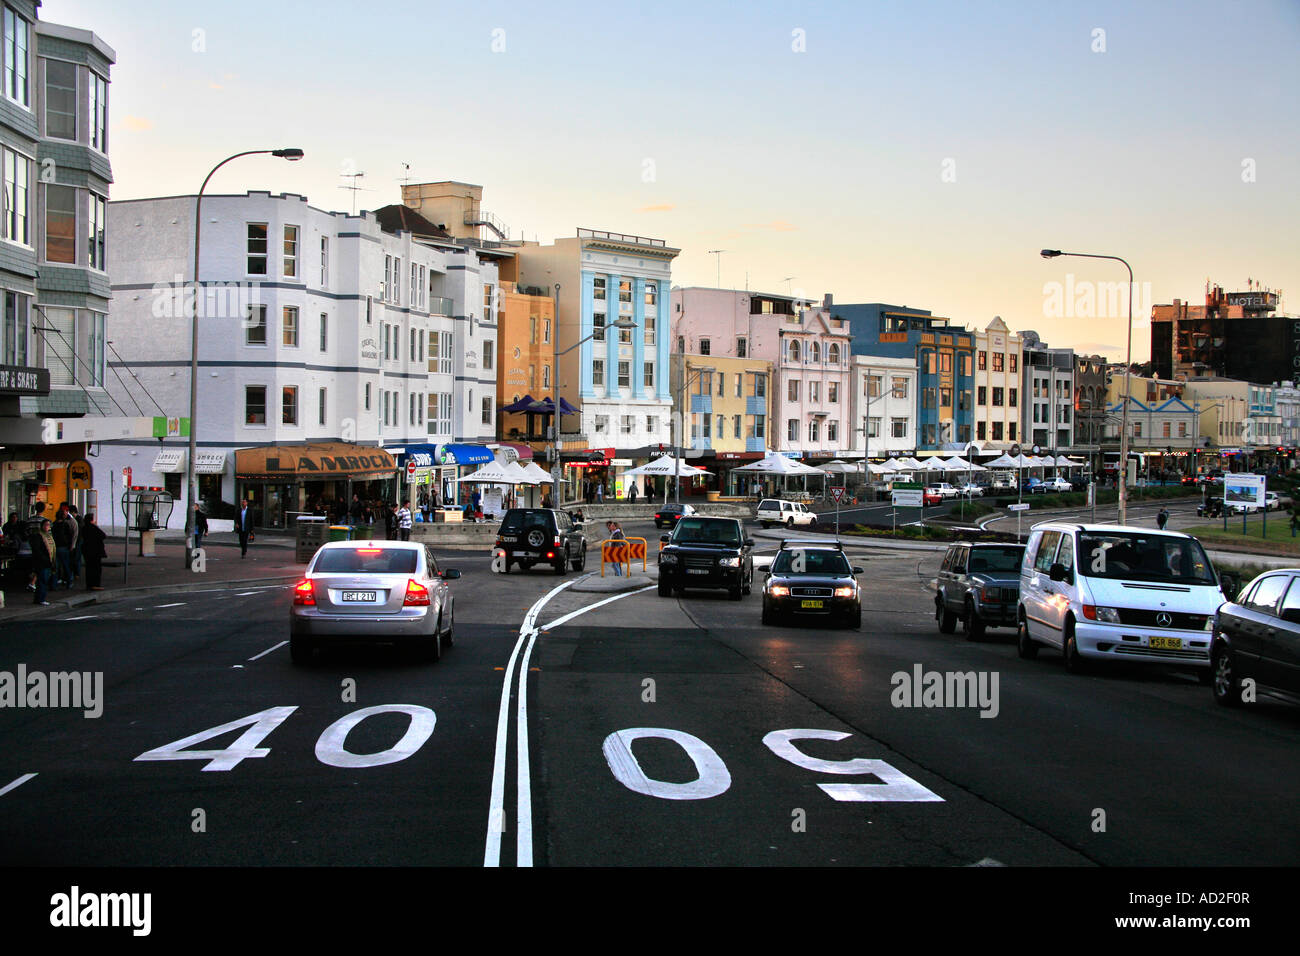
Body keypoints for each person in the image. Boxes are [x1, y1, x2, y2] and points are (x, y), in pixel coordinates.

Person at [31, 518, 55, 605]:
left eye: (49, 525)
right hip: (42, 562)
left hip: (48, 561)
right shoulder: (38, 536)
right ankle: (40, 599)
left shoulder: (49, 536)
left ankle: (40, 598)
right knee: (42, 580)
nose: (47, 527)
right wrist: (44, 558)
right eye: (46, 525)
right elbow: (37, 550)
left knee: (44, 580)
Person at [82, 512, 107, 590]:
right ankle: (95, 584)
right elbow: (103, 535)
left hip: (87, 550)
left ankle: (89, 584)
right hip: (95, 551)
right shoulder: (94, 528)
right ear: (91, 520)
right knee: (96, 568)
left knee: (89, 568)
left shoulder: (83, 528)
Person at [52, 504, 75, 589]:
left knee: (55, 567)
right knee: (66, 566)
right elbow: (70, 536)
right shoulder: (65, 525)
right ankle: (69, 582)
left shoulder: (53, 525)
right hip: (64, 547)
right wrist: (70, 546)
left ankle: (54, 584)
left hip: (55, 547)